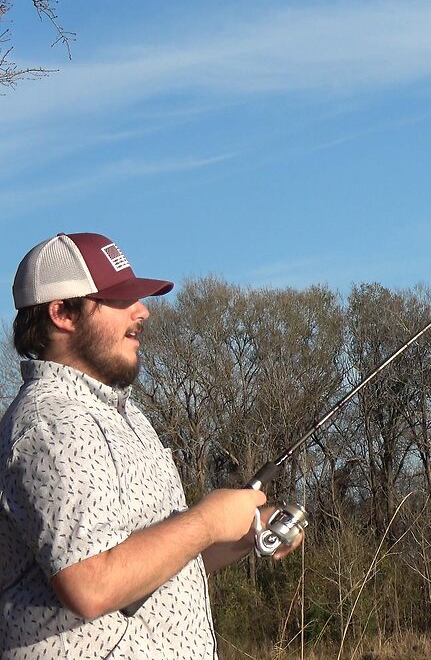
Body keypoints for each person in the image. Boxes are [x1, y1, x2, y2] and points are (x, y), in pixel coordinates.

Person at [0, 232, 298, 658]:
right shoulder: (51, 422)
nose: (142, 311)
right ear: (62, 313)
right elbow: (91, 584)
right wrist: (208, 521)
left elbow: (157, 566)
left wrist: (247, 533)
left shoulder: (126, 416)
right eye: (121, 300)